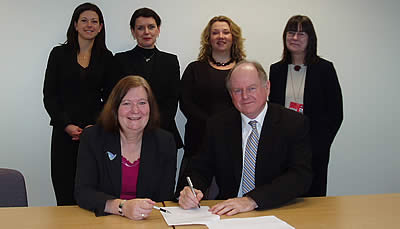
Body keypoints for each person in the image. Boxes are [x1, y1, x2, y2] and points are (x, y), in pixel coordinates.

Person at [177, 60, 312, 216]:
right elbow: (199, 168)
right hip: (229, 212)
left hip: (276, 209)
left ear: (267, 87)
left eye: (251, 88)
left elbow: (300, 176)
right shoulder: (218, 125)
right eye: (237, 91)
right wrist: (191, 189)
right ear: (230, 95)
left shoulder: (293, 123)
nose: (245, 96)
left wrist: (252, 200)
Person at [75, 76, 177, 220]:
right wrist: (122, 207)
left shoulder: (165, 142)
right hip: (103, 220)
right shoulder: (92, 138)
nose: (135, 110)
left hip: (147, 221)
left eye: (142, 103)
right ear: (115, 108)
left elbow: (164, 196)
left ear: (150, 107)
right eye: (126, 103)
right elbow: (83, 192)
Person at [43, 2, 114, 206]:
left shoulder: (107, 58)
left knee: (93, 191)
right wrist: (66, 125)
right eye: (84, 20)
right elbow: (50, 95)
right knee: (64, 191)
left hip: (95, 133)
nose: (89, 25)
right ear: (75, 24)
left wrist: (95, 126)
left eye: (94, 21)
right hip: (64, 133)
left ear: (100, 27)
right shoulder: (58, 54)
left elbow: (111, 98)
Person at [269, 15, 343, 197]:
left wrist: (322, 143)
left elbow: (336, 113)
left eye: (302, 34)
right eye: (291, 32)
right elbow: (272, 109)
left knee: (313, 194)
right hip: (283, 143)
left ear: (311, 38)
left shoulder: (324, 69)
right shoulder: (276, 70)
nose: (295, 38)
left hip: (314, 145)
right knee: (283, 194)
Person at [179, 16, 246, 184]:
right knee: (192, 190)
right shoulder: (195, 68)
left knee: (228, 190)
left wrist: (225, 125)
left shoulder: (244, 69)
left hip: (235, 136)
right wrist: (210, 123)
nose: (220, 36)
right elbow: (185, 103)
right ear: (208, 39)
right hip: (199, 136)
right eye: (215, 33)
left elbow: (250, 102)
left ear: (234, 37)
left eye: (226, 32)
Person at [114, 7, 183, 150]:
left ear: (158, 30)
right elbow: (116, 98)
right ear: (133, 32)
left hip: (163, 132)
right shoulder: (120, 60)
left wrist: (154, 128)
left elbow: (172, 98)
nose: (146, 32)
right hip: (129, 133)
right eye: (140, 28)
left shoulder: (170, 61)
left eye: (151, 27)